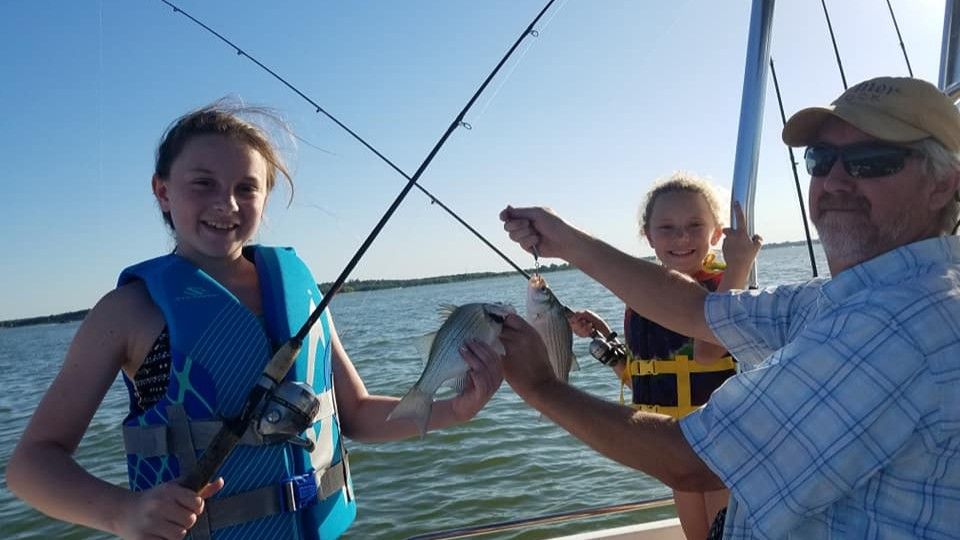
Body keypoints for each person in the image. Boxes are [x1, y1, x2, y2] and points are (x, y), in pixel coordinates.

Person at [6, 102, 503, 540]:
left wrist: (456, 409)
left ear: (267, 196)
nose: (226, 204)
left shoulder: (301, 292)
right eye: (203, 183)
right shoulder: (129, 310)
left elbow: (354, 413)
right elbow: (31, 464)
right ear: (162, 191)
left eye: (247, 188)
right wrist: (123, 513)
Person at [493, 76, 960, 538]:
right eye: (821, 159)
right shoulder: (854, 296)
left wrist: (539, 385)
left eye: (871, 161)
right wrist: (564, 241)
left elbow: (695, 462)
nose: (835, 180)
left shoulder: (901, 322)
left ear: (943, 185)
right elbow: (698, 311)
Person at [567, 172, 759, 540]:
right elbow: (643, 377)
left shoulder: (726, 287)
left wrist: (738, 265)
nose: (681, 237)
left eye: (694, 225)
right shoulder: (643, 298)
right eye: (667, 228)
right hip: (674, 445)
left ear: (716, 234)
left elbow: (708, 352)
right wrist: (602, 335)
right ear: (648, 236)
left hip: (722, 443)